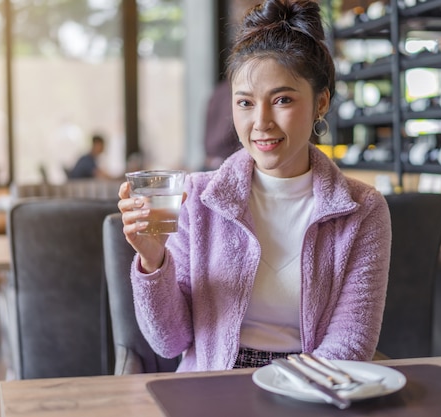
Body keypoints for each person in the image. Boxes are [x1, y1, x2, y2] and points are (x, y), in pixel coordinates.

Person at [118, 0, 392, 372]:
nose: (260, 122)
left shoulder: (362, 208)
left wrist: (288, 391)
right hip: (212, 390)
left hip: (313, 388)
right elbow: (170, 342)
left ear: (321, 102)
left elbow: (352, 342)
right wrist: (154, 260)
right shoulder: (197, 199)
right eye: (245, 102)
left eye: (282, 100)